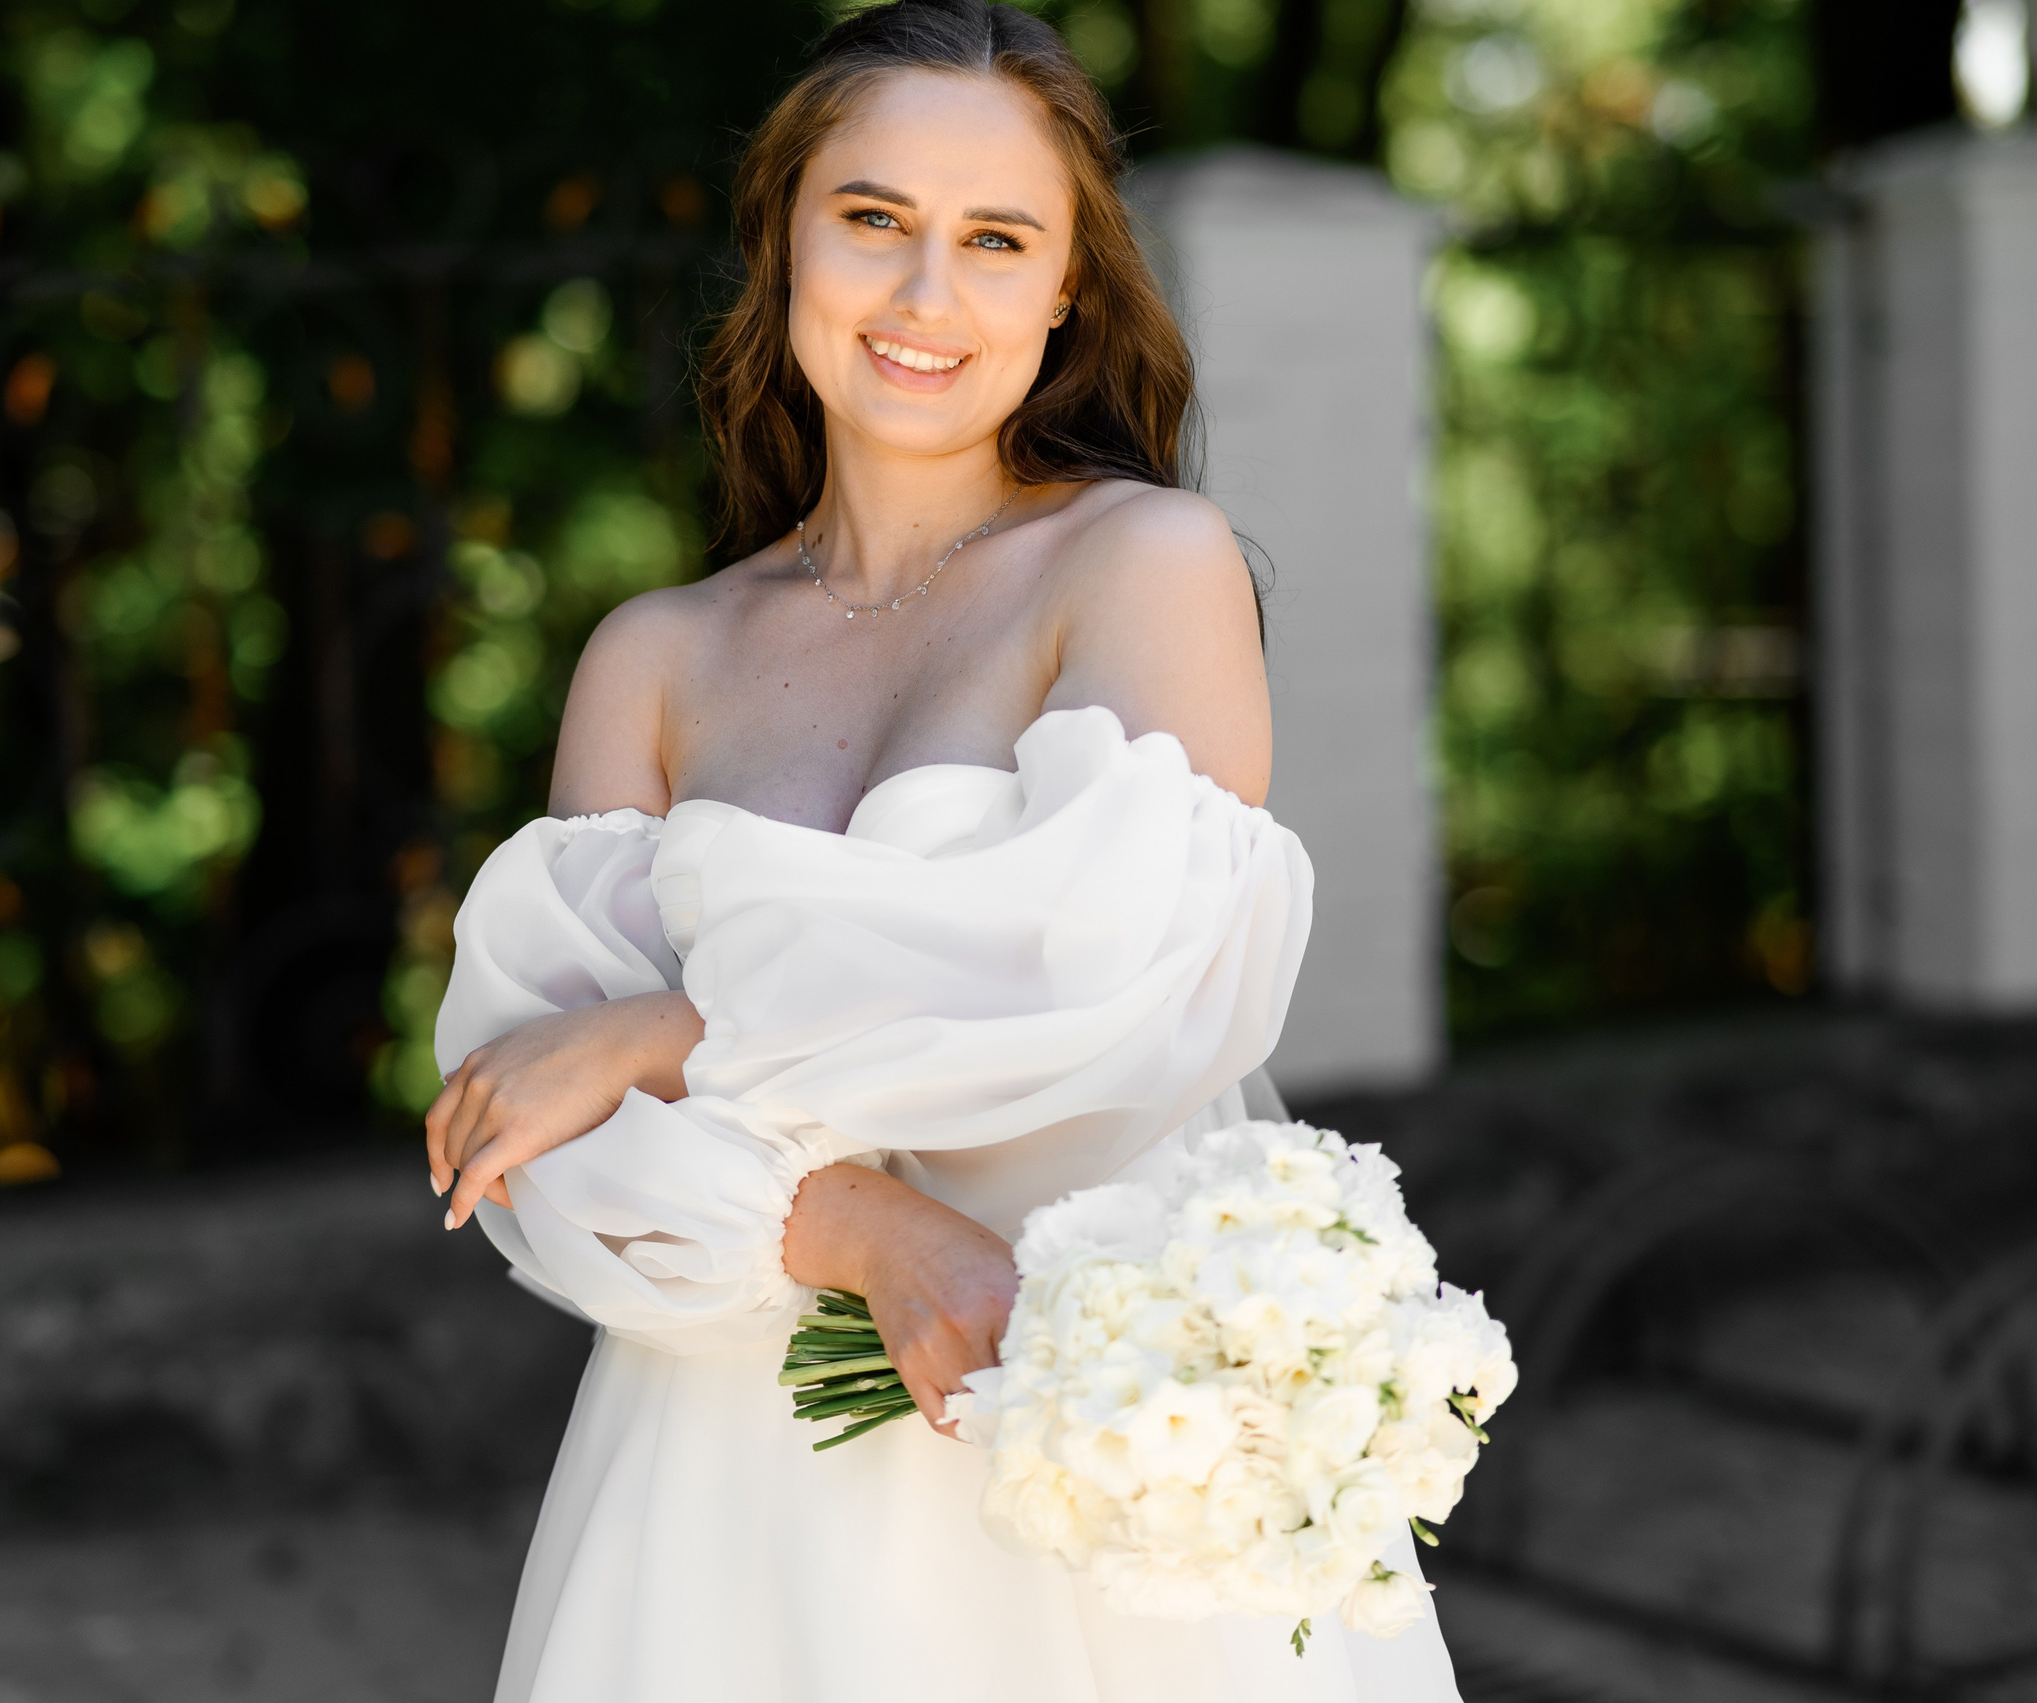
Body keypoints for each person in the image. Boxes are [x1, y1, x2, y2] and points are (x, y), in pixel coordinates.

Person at [424, 4, 1461, 1697]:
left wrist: (668, 1032)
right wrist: (867, 1233)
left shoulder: (1145, 566)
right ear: (784, 241)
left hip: (1101, 1461)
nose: (926, 298)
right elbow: (528, 1141)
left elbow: (1103, 981)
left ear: (1067, 290)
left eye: (996, 241)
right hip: (730, 1489)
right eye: (874, 221)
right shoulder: (656, 658)